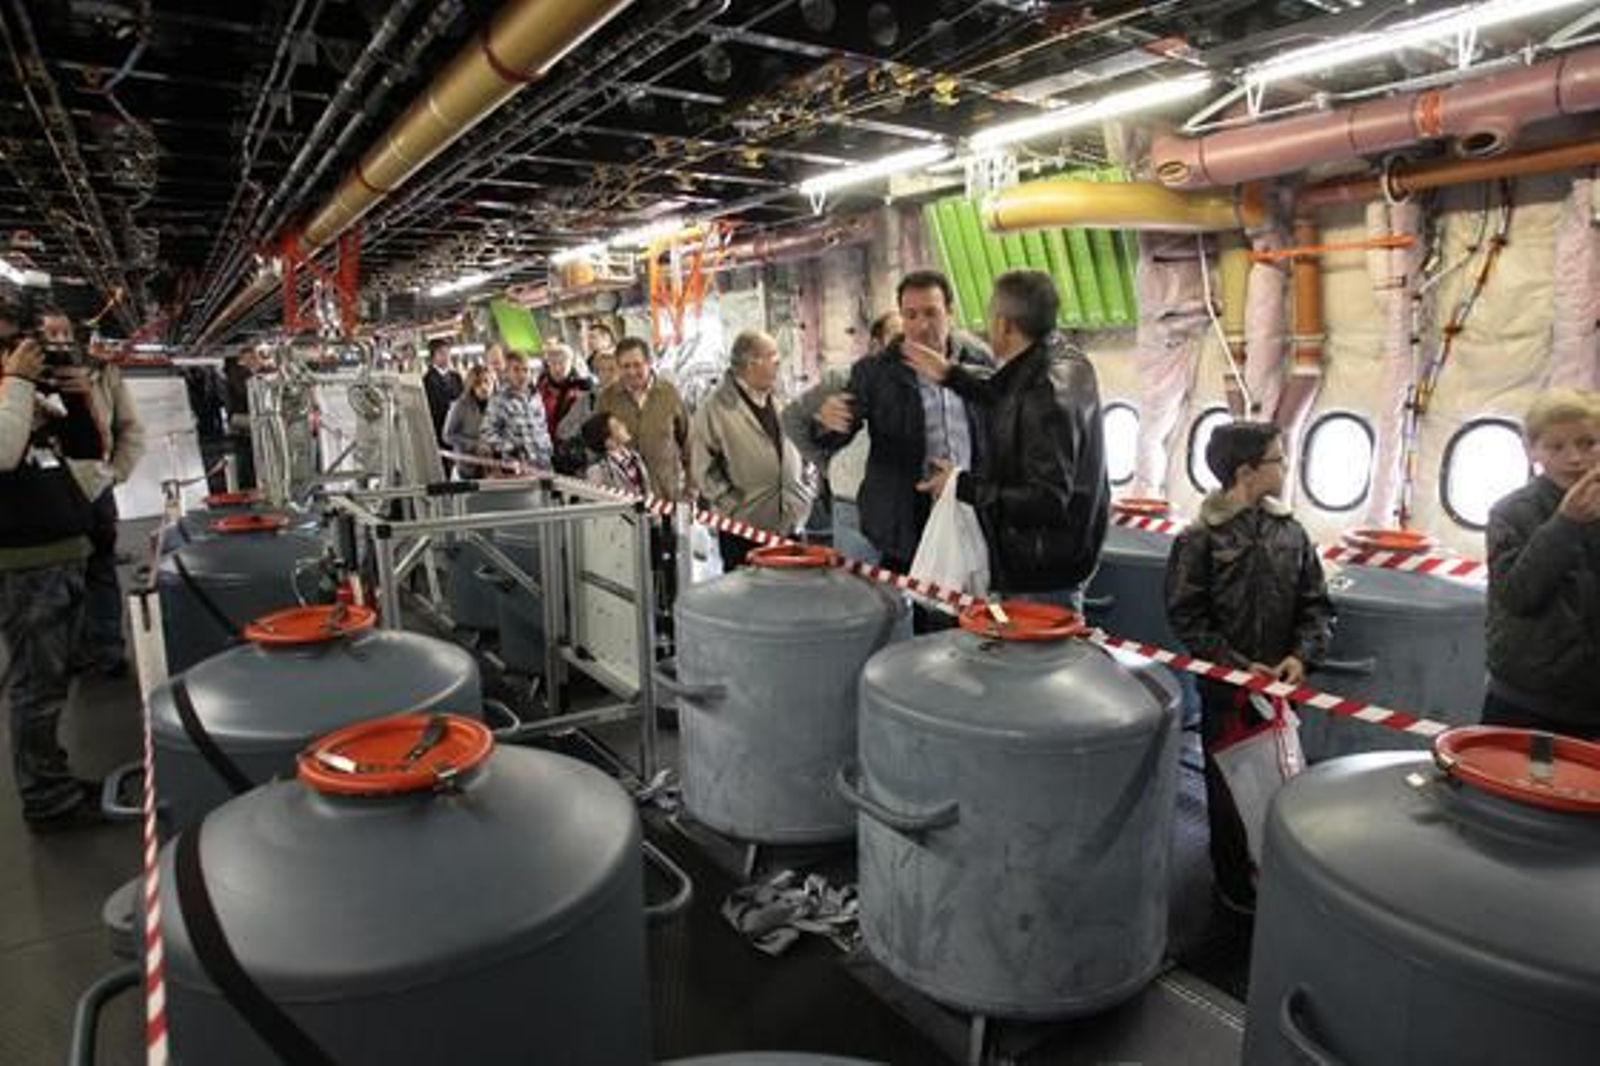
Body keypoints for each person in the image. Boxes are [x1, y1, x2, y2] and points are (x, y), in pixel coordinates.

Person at [1163, 421, 1334, 914]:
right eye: (1278, 459)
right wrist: (1238, 667)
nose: (1286, 466)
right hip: (1226, 692)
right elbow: (1187, 617)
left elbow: (1317, 605)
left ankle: (1272, 875)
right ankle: (1233, 886)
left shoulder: (1292, 533)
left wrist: (1302, 655)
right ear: (1246, 471)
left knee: (1281, 782)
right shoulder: (1200, 540)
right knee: (1228, 788)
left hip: (1280, 689)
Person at [905, 269, 1108, 608]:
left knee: (1032, 661)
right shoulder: (1059, 360)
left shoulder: (1046, 393)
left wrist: (960, 485)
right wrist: (949, 374)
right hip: (1054, 559)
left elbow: (1046, 499)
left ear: (1004, 324)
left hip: (1040, 570)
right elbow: (1005, 395)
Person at [784, 271, 990, 578]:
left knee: (972, 608)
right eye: (911, 315)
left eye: (931, 313)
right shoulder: (875, 373)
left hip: (970, 506)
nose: (921, 325)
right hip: (906, 517)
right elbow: (838, 431)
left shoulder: (980, 362)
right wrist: (827, 422)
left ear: (950, 311)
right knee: (911, 609)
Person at [1, 320, 115, 829]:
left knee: (52, 682)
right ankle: (47, 799)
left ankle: (54, 781)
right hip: (24, 562)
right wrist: (19, 382)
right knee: (36, 687)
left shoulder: (21, 395)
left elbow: (89, 449)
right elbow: (3, 455)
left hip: (64, 549)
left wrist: (76, 394)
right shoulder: (11, 392)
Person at [1483, 389, 1600, 738]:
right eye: (1556, 447)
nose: (1575, 458)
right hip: (1525, 697)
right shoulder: (1510, 512)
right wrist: (1566, 524)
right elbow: (1518, 594)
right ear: (1532, 450)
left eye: (1588, 443)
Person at [43, 310, 144, 677]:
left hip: (94, 487)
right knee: (55, 577)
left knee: (100, 568)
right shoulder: (22, 375)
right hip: (46, 492)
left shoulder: (104, 373)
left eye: (65, 330)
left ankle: (106, 650)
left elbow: (130, 428)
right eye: (50, 331)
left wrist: (115, 473)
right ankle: (65, 655)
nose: (58, 338)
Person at [692, 330, 813, 568]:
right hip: (743, 529)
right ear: (751, 363)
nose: (778, 362)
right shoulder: (716, 409)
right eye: (772, 356)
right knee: (747, 601)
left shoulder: (783, 398)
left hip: (791, 522)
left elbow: (805, 448)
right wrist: (732, 505)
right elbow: (703, 468)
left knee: (791, 596)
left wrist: (806, 491)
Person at [597, 337, 692, 501]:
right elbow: (597, 446)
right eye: (625, 366)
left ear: (649, 362)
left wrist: (691, 489)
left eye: (637, 364)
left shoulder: (669, 393)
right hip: (626, 501)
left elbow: (689, 444)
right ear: (618, 367)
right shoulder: (607, 399)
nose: (632, 372)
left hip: (669, 496)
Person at [481, 350, 552, 469]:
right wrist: (511, 448)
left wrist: (548, 449)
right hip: (518, 468)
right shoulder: (498, 401)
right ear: (507, 373)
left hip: (544, 463)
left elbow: (543, 428)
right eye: (516, 370)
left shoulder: (536, 397)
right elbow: (487, 433)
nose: (522, 375)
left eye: (526, 370)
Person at [536, 342, 591, 474]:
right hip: (543, 449)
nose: (557, 368)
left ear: (570, 363)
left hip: (571, 450)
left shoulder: (582, 388)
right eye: (553, 363)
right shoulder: (540, 387)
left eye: (562, 363)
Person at [580, 411, 651, 496]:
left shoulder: (636, 457)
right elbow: (594, 503)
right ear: (609, 442)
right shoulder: (598, 471)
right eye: (617, 427)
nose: (624, 425)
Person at [442, 365, 494, 477]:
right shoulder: (460, 405)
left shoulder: (497, 405)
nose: (484, 387)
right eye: (478, 383)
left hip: (492, 467)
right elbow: (447, 435)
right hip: (468, 468)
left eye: (487, 381)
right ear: (471, 385)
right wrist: (473, 445)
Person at [422, 338, 463, 444]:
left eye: (448, 352)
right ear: (432, 357)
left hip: (457, 430)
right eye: (441, 353)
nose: (446, 356)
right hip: (438, 430)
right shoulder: (427, 380)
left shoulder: (456, 377)